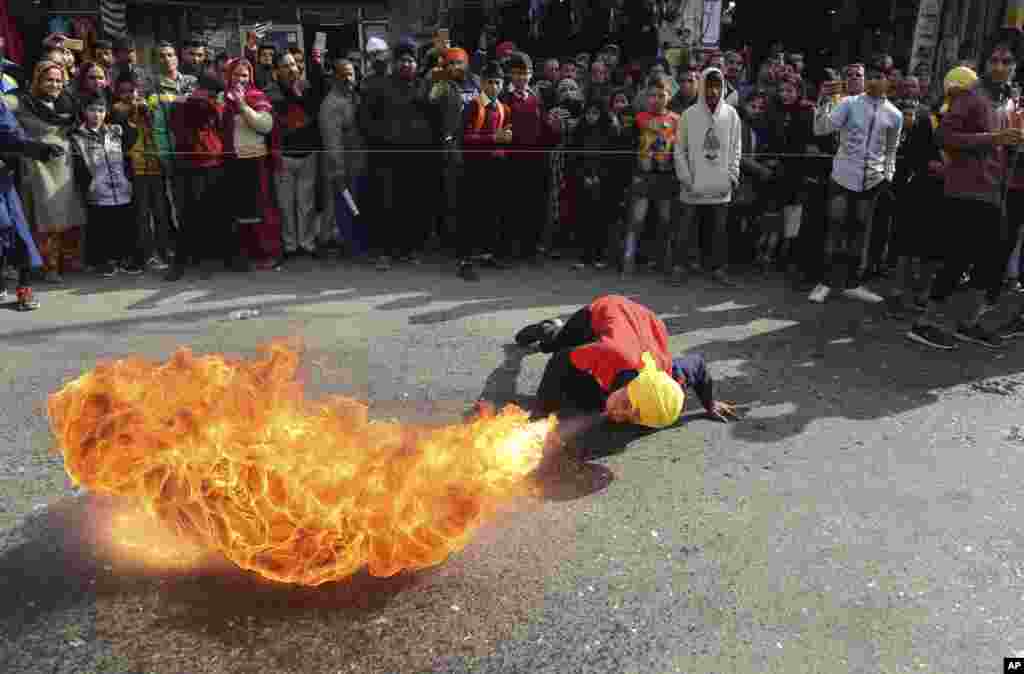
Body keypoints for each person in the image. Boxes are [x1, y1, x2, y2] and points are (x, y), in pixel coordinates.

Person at [910, 31, 1024, 348]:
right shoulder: (971, 96)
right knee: (958, 258)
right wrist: (993, 139)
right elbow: (945, 137)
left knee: (991, 263)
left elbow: (1007, 145)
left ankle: (969, 322)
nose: (1001, 66)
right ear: (986, 64)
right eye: (995, 60)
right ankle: (925, 322)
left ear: (1015, 66)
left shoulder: (1011, 101)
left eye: (1008, 61)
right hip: (965, 190)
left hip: (996, 192)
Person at [514, 295, 737, 425]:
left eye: (634, 416)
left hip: (644, 323)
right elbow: (560, 361)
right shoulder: (611, 355)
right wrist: (540, 413)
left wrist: (709, 405)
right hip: (604, 312)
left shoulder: (671, 377)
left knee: (592, 400)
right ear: (631, 387)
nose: (618, 414)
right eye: (627, 405)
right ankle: (550, 328)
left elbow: (698, 365)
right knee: (555, 345)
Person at [809, 64, 902, 304]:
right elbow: (821, 129)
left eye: (880, 77)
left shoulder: (895, 114)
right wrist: (823, 101)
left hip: (872, 180)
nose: (874, 81)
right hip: (842, 175)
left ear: (888, 81)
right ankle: (825, 282)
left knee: (860, 230)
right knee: (836, 225)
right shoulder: (849, 104)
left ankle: (852, 283)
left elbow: (891, 151)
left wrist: (887, 175)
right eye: (871, 77)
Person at [4, 60, 86, 281]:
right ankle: (45, 267)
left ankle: (62, 264)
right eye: (49, 80)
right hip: (38, 165)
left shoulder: (67, 103)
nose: (55, 85)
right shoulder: (21, 100)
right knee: (44, 217)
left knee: (65, 216)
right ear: (38, 80)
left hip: (65, 164)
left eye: (59, 80)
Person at [671, 67, 743, 286]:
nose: (713, 90)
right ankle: (679, 267)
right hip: (692, 184)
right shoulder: (688, 115)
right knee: (685, 228)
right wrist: (686, 178)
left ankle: (718, 269)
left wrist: (732, 175)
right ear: (701, 86)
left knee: (719, 231)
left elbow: (736, 147)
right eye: (709, 85)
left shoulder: (731, 114)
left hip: (721, 185)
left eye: (717, 85)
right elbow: (679, 149)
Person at [0, 96, 61, 310]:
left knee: (17, 230)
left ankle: (24, 288)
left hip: (2, 182)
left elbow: (11, 134)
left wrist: (39, 149)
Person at [69, 94, 140, 277]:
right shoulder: (77, 136)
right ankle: (104, 260)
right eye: (92, 110)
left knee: (123, 224)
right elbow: (79, 165)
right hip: (97, 189)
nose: (97, 115)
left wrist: (128, 180)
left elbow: (126, 156)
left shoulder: (115, 132)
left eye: (101, 110)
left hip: (120, 186)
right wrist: (89, 184)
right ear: (84, 112)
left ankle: (124, 258)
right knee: (102, 226)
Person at [456, 61, 512, 281]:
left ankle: (489, 253)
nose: (494, 87)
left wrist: (504, 144)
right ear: (481, 83)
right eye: (490, 82)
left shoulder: (503, 108)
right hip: (473, 167)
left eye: (498, 82)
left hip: (494, 166)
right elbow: (464, 137)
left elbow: (506, 134)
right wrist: (493, 140)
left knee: (492, 210)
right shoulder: (472, 106)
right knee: (470, 213)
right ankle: (465, 259)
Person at [110, 73, 171, 271]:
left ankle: (164, 250)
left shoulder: (148, 107)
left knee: (161, 212)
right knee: (142, 214)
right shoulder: (118, 110)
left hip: (155, 164)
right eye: (124, 92)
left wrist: (147, 111)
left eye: (133, 91)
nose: (129, 95)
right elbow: (125, 126)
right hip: (136, 168)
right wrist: (135, 110)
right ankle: (147, 254)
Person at [267, 50, 322, 262]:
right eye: (286, 66)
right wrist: (293, 95)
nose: (292, 69)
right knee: (285, 204)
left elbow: (314, 109)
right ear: (276, 72)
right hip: (284, 157)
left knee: (306, 203)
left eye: (294, 65)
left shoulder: (307, 88)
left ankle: (307, 243)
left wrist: (302, 93)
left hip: (307, 154)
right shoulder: (271, 93)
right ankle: (289, 245)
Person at [319, 56, 367, 259]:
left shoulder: (352, 97)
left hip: (357, 163)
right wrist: (338, 171)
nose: (348, 78)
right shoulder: (332, 104)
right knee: (347, 206)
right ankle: (350, 246)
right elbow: (333, 142)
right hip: (343, 167)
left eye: (351, 74)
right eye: (343, 74)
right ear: (335, 78)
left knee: (355, 205)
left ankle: (355, 242)